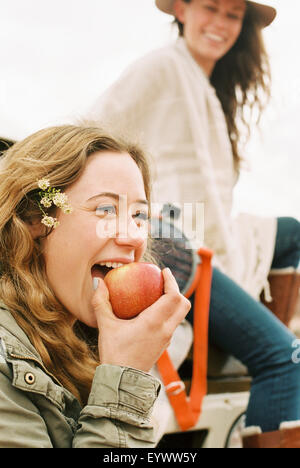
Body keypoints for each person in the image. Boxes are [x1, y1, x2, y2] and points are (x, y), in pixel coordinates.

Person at [85, 0, 300, 447]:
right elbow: (87, 136)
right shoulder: (162, 67)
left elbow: (211, 194)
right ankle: (268, 350)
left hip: (202, 233)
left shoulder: (206, 87)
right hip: (169, 241)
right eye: (211, 8)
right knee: (286, 358)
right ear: (182, 9)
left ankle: (252, 343)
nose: (221, 24)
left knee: (292, 232)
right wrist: (139, 212)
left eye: (233, 15)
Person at [0, 124, 191, 448]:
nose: (132, 236)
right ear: (35, 218)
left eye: (139, 215)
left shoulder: (83, 343)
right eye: (106, 209)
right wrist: (124, 378)